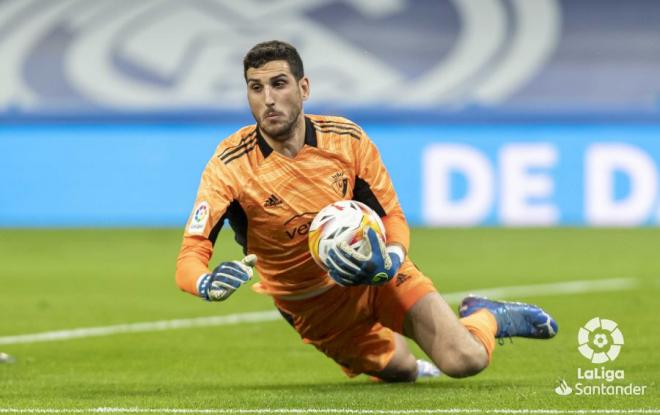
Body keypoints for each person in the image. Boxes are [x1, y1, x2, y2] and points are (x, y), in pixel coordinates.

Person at [175, 40, 558, 382]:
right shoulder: (230, 165)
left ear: (303, 88)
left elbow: (392, 217)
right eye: (255, 88)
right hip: (311, 304)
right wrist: (205, 283)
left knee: (464, 360)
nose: (268, 99)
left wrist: (391, 257)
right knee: (401, 371)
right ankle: (401, 353)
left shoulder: (346, 141)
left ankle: (486, 315)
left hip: (376, 273)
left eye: (279, 84)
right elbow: (190, 257)